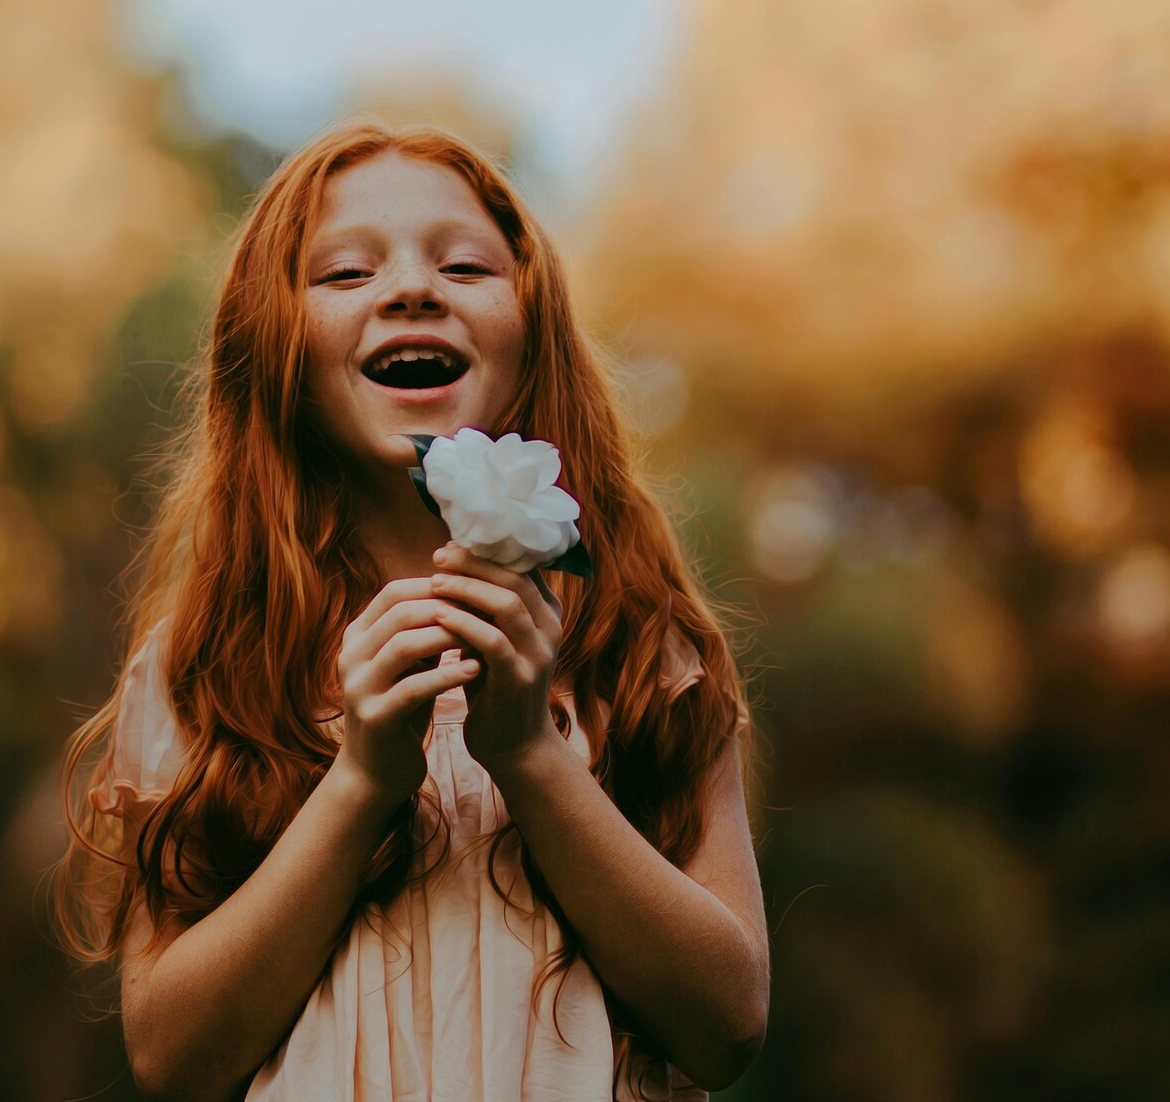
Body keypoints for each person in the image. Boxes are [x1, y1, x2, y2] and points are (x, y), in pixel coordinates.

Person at [54, 119, 768, 1101]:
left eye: (465, 264)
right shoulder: (205, 668)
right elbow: (169, 1057)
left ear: (533, 328)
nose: (407, 288)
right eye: (344, 274)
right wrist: (358, 781)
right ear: (275, 348)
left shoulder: (641, 647)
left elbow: (728, 1020)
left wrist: (528, 754)